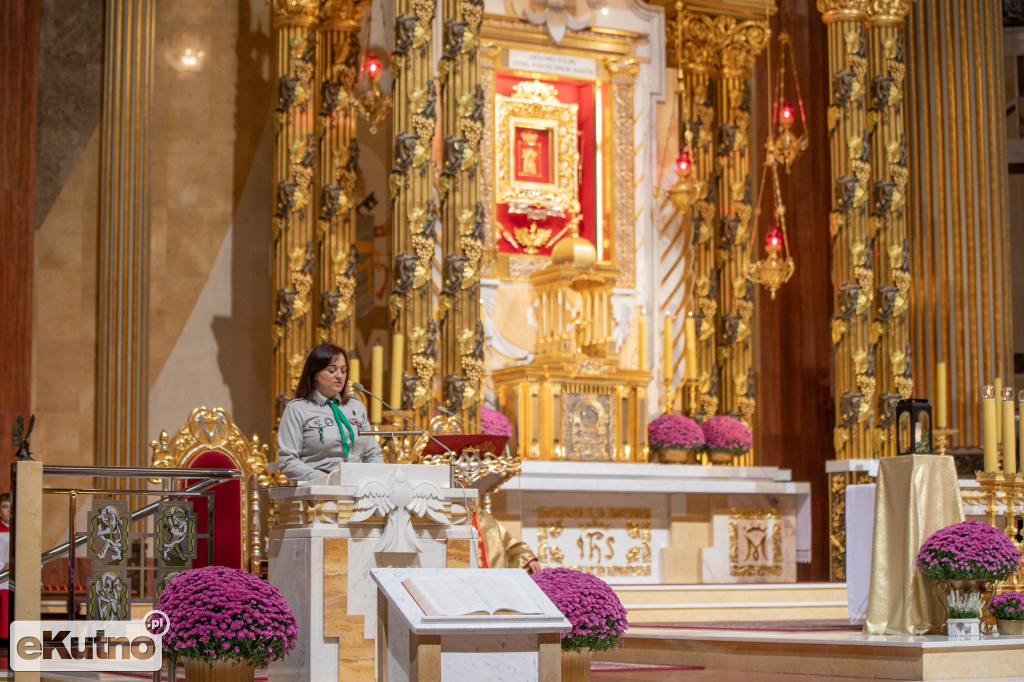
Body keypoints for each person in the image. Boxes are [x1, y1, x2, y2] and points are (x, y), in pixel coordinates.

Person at [278, 343, 384, 481]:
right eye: (332, 370)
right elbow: (287, 461)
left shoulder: (356, 407)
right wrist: (327, 480)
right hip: (319, 490)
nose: (339, 376)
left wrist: (370, 479)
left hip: (358, 488)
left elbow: (373, 454)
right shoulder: (297, 409)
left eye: (343, 370)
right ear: (315, 374)